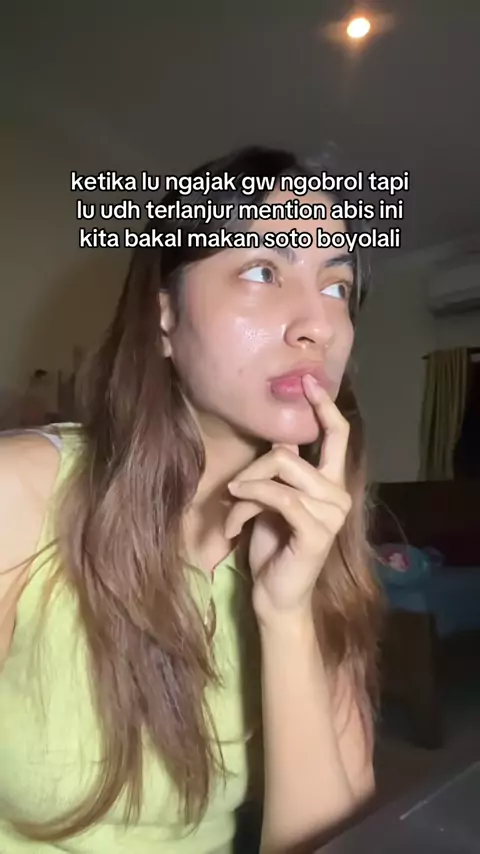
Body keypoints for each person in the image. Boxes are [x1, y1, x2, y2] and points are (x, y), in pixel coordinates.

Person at [0, 146, 382, 854]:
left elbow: (338, 841)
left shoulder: (318, 539)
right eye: (263, 271)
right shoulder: (20, 495)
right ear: (165, 319)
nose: (319, 326)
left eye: (338, 287)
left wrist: (286, 612)